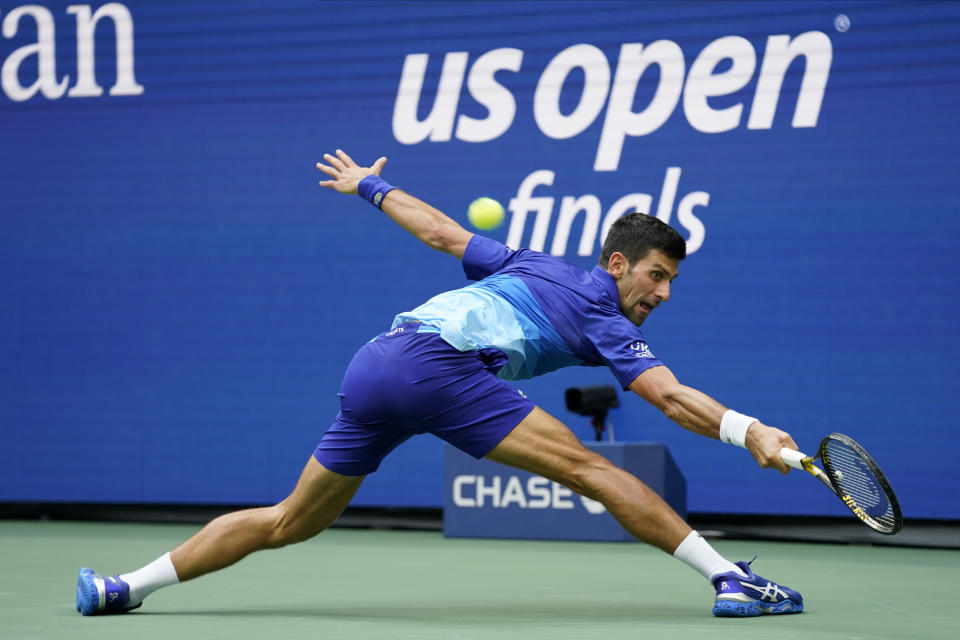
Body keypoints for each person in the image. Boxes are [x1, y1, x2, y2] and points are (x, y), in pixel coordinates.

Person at [76, 149, 804, 618]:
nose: (664, 293)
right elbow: (671, 397)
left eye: (673, 281)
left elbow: (441, 232)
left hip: (376, 362)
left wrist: (370, 185)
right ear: (618, 265)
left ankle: (123, 588)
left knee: (291, 520)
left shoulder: (534, 262)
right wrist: (751, 431)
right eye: (656, 275)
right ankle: (726, 579)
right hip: (438, 367)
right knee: (590, 468)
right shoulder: (602, 311)